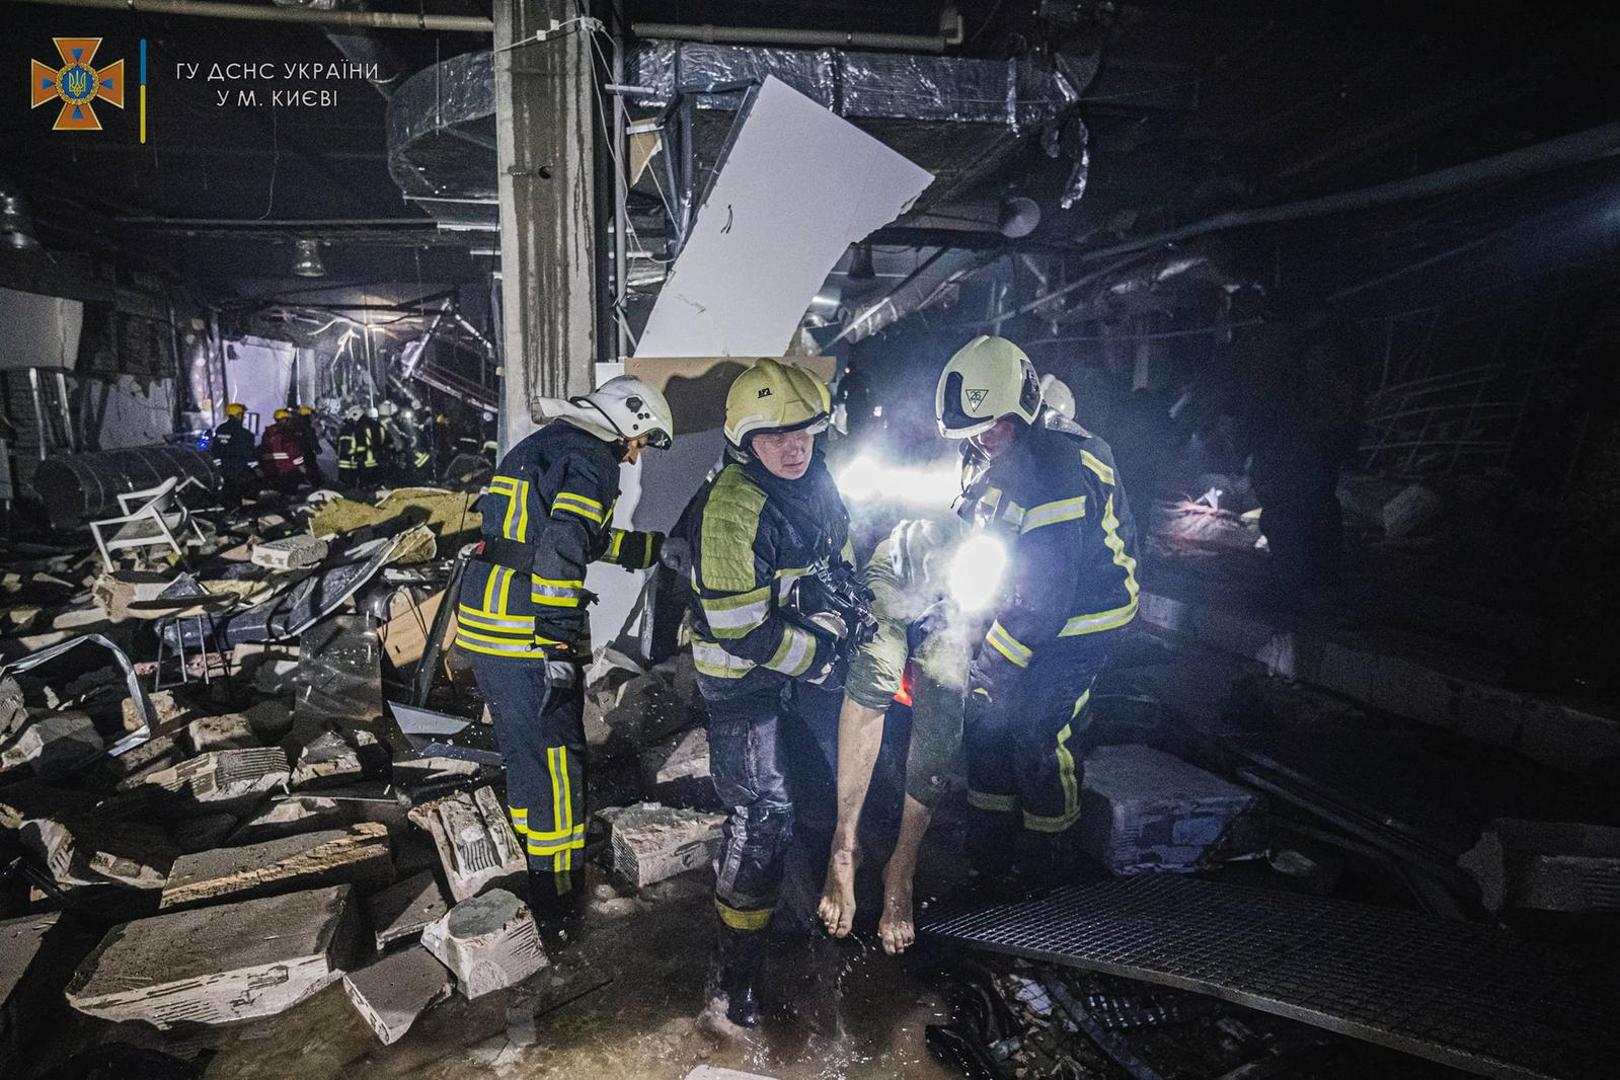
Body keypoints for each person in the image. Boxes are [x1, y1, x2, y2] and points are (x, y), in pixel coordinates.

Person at [454, 376, 673, 944]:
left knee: (524, 749)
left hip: (487, 621)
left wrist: (641, 549)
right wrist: (555, 642)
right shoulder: (592, 459)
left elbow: (550, 532)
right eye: (640, 440)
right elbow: (560, 548)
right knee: (556, 758)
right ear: (626, 419)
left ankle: (536, 861)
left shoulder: (545, 442)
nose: (635, 453)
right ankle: (560, 896)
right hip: (525, 629)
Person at [679, 358, 858, 1027]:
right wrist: (820, 654)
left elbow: (835, 551)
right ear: (745, 441)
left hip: (799, 671)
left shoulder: (816, 477)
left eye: (806, 433)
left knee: (821, 793)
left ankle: (798, 914)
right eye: (778, 436)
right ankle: (734, 982)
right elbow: (738, 628)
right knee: (763, 817)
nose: (795, 447)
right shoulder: (732, 504)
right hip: (745, 683)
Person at [934, 335, 1141, 884]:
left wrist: (990, 668)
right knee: (987, 727)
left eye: (988, 428)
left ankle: (1049, 865)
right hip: (1036, 604)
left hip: (1088, 614)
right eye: (970, 435)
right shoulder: (1004, 446)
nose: (980, 441)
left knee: (1035, 732)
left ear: (1020, 409)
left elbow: (1045, 597)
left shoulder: (1057, 464)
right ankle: (990, 851)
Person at [818, 517, 967, 955]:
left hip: (961, 579)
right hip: (892, 559)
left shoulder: (1007, 471)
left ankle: (902, 865)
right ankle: (844, 847)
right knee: (875, 670)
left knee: (945, 688)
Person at [209, 402, 258, 508]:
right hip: (239, 470)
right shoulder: (244, 433)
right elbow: (248, 453)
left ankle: (229, 512)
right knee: (246, 491)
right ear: (239, 415)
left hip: (223, 470)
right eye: (242, 415)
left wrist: (219, 466)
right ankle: (248, 514)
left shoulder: (220, 429)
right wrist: (257, 468)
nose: (243, 417)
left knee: (228, 494)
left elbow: (215, 450)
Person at [258, 408, 310, 494]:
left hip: (270, 470)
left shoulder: (267, 433)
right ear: (285, 420)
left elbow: (263, 451)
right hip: (288, 471)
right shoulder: (288, 433)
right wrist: (302, 467)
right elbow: (295, 452)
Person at [396, 406, 435, 485]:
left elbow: (424, 440)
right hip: (414, 459)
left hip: (417, 457)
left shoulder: (415, 429)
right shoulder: (401, 430)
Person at [292, 405, 325, 487]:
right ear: (307, 415)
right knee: (311, 467)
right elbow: (311, 437)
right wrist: (317, 448)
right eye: (311, 416)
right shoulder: (306, 425)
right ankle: (316, 484)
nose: (312, 418)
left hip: (297, 452)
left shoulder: (295, 424)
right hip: (306, 451)